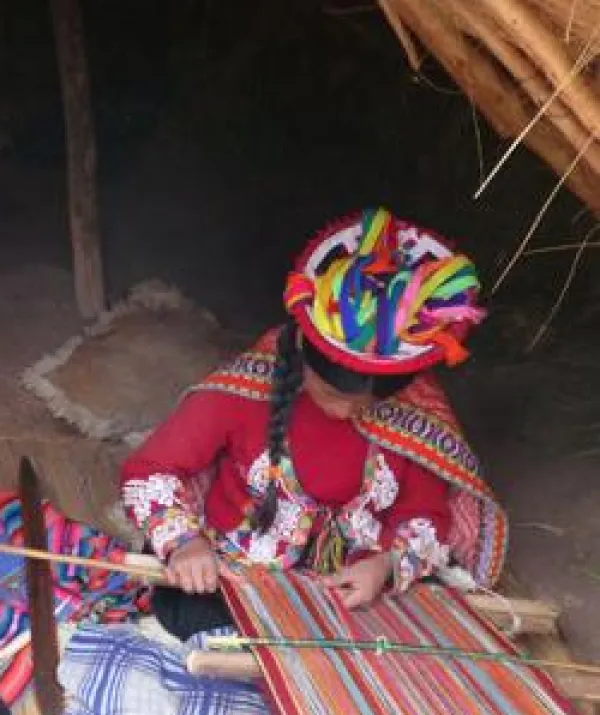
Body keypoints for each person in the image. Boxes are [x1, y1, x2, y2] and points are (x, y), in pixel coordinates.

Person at [121, 208, 508, 640]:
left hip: (353, 590)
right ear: (303, 360)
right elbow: (152, 469)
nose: (346, 414)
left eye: (363, 403)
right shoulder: (244, 390)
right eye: (333, 395)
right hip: (236, 573)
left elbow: (425, 513)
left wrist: (383, 566)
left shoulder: (414, 417)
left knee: (411, 641)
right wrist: (186, 545)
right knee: (198, 619)